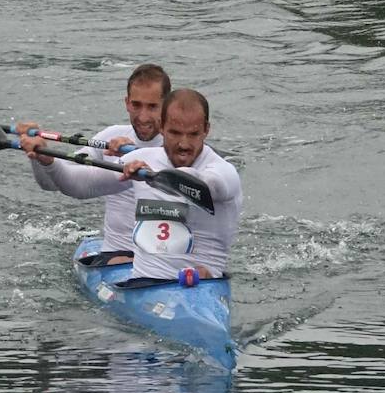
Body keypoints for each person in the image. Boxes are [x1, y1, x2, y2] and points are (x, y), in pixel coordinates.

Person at [22, 88, 241, 283]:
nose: (184, 144)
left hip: (203, 286)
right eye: (175, 133)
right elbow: (79, 186)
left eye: (193, 134)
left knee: (201, 275)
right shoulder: (142, 158)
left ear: (206, 130)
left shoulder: (222, 171)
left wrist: (156, 175)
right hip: (144, 285)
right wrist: (47, 160)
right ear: (162, 127)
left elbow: (209, 186)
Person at [16, 63, 170, 265]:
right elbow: (52, 183)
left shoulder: (182, 151)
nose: (143, 116)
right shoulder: (111, 136)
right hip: (116, 255)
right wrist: (40, 155)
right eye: (136, 105)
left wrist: (137, 154)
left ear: (167, 106)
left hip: (168, 258)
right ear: (126, 103)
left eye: (152, 107)